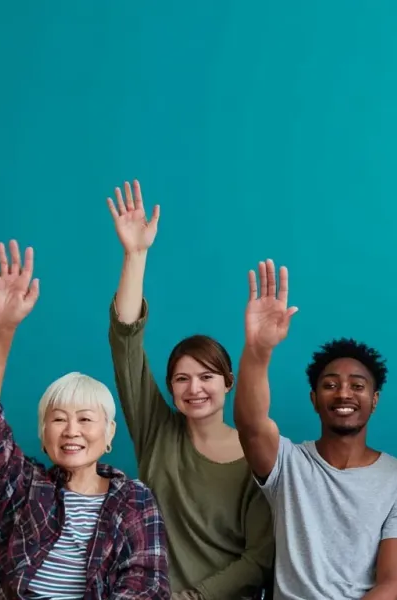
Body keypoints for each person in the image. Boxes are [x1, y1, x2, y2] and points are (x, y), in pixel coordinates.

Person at [0, 240, 169, 599]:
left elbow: (145, 587)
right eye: (58, 420)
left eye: (85, 419)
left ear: (109, 433)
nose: (71, 431)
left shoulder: (134, 500)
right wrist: (1, 330)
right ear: (43, 434)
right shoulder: (25, 487)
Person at [105, 180, 274, 599]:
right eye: (182, 378)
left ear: (228, 383)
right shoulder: (156, 431)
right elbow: (125, 341)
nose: (194, 388)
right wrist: (136, 256)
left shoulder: (258, 457)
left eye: (207, 377)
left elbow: (259, 558)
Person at [232, 259, 397, 600]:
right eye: (331, 384)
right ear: (314, 399)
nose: (344, 393)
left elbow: (392, 582)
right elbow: (250, 424)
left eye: (357, 385)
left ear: (374, 399)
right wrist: (258, 350)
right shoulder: (287, 464)